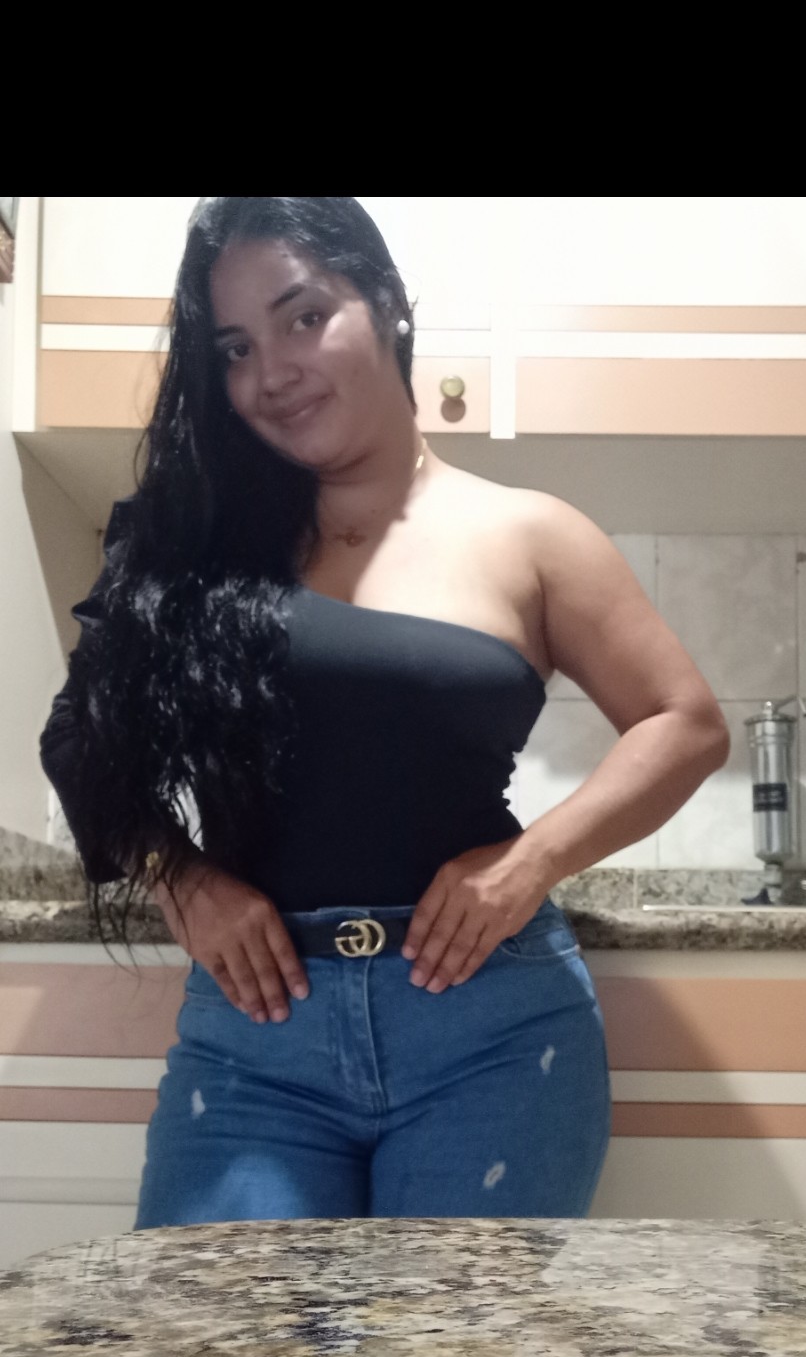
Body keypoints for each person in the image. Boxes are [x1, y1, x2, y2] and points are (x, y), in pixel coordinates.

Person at [40, 197, 729, 1226]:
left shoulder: (531, 535)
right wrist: (181, 879)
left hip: (492, 1031)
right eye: (235, 347)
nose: (271, 372)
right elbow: (78, 743)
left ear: (391, 304)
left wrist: (531, 861)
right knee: (210, 1332)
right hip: (255, 1038)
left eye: (304, 317)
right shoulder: (187, 544)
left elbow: (684, 722)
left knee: (454, 1341)